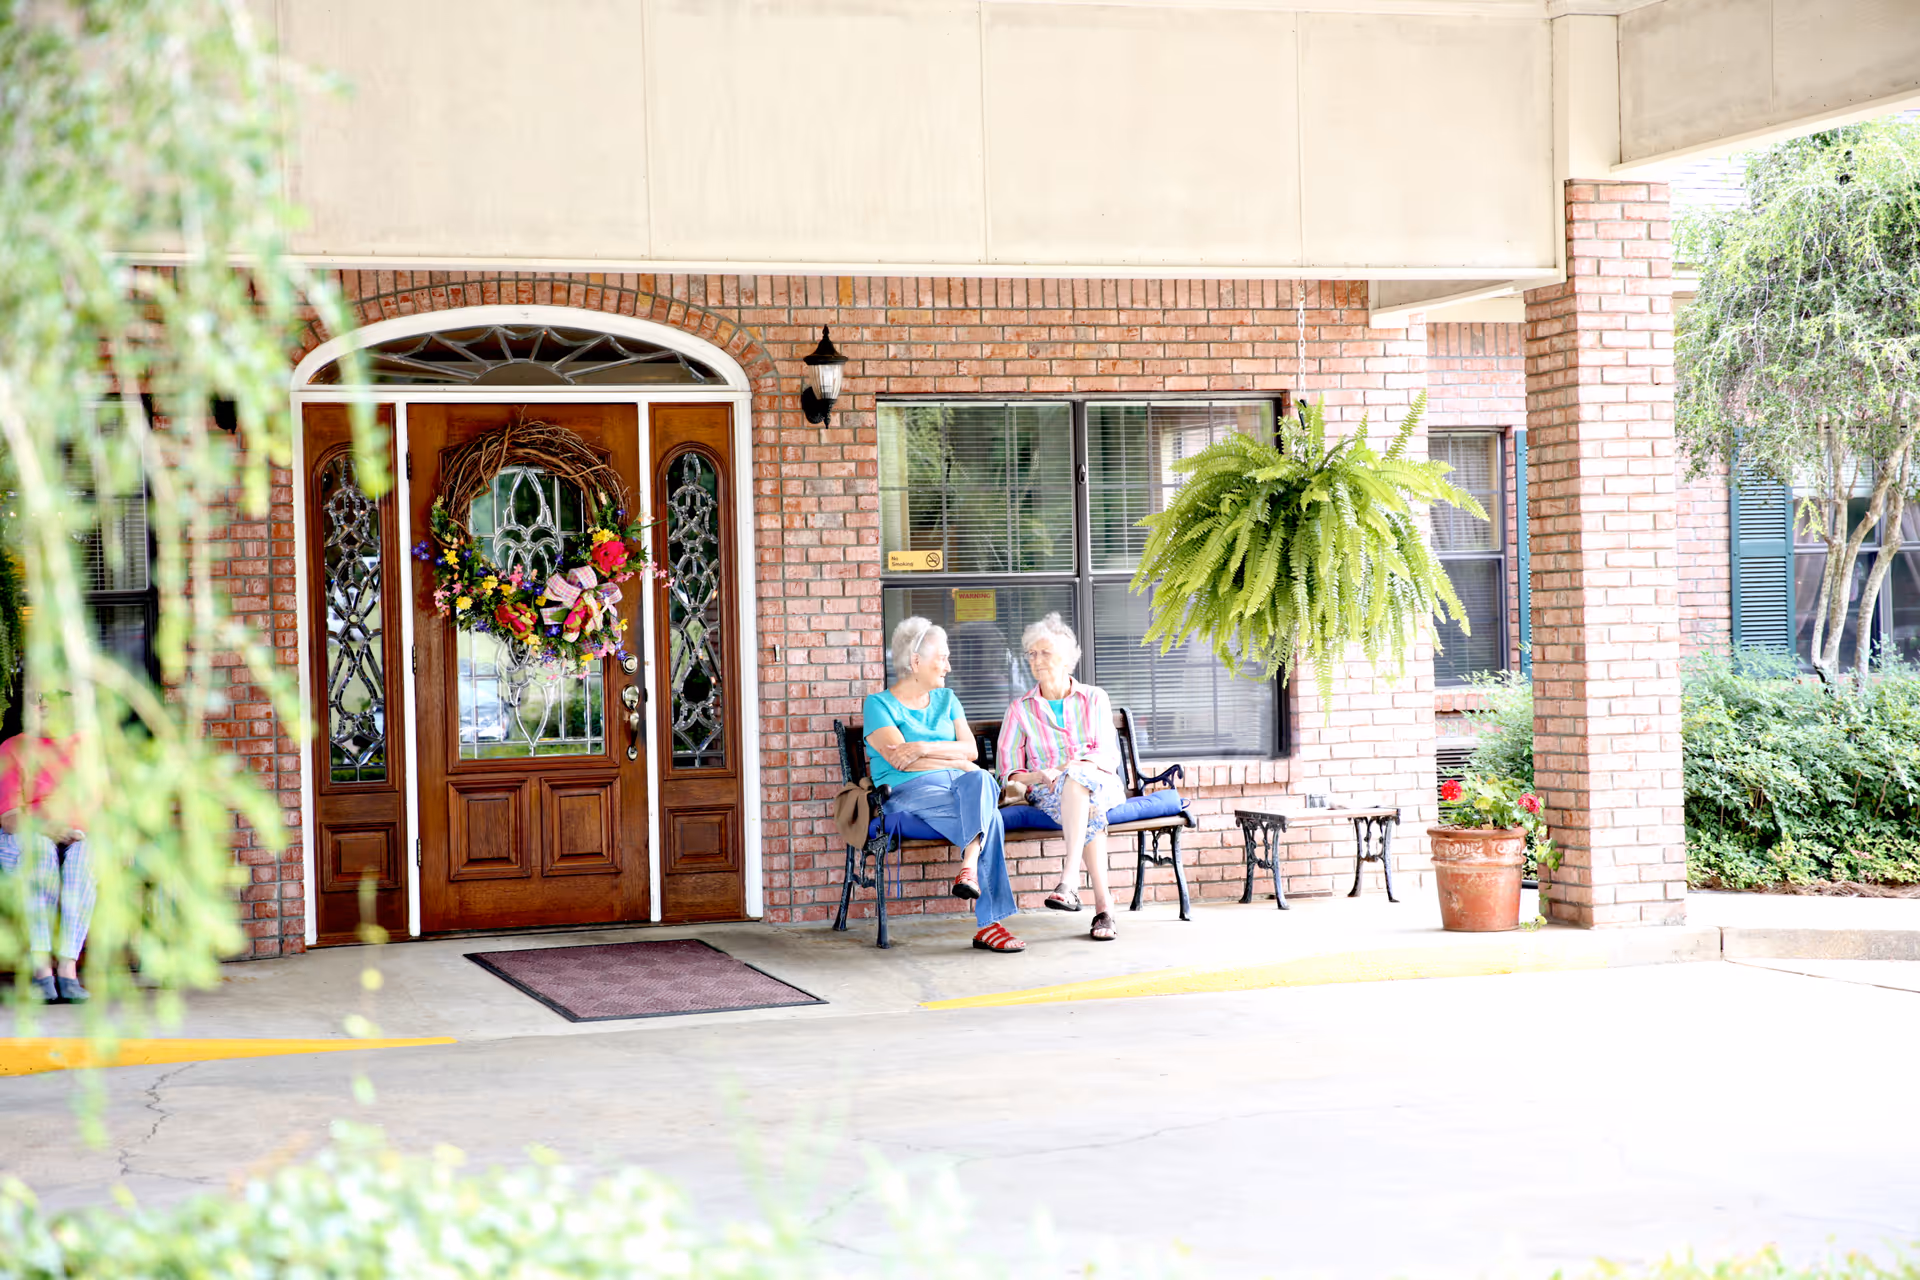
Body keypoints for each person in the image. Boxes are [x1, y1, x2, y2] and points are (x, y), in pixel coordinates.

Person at [863, 617, 1023, 954]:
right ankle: (989, 925)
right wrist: (955, 760)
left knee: (980, 777)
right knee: (989, 816)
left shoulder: (947, 699)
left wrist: (923, 747)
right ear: (916, 661)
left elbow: (973, 752)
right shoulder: (878, 705)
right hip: (908, 792)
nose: (948, 667)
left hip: (963, 787)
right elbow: (900, 762)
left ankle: (968, 870)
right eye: (943, 658)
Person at [998, 613, 1125, 942]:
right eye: (1032, 654)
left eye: (1046, 653)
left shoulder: (1094, 698)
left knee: (1078, 780)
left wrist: (1071, 768)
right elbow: (1010, 772)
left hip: (1100, 781)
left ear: (1067, 660)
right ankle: (1103, 909)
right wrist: (1041, 773)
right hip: (1048, 791)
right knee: (1083, 800)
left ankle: (1069, 879)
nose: (1037, 661)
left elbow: (1108, 756)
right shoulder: (1020, 710)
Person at [0, 700, 95, 1003]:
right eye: (35, 699)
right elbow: (11, 818)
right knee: (40, 853)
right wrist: (51, 829)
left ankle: (67, 970)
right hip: (26, 835)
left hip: (80, 836)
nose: (42, 704)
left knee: (84, 857)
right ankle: (42, 972)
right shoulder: (13, 748)